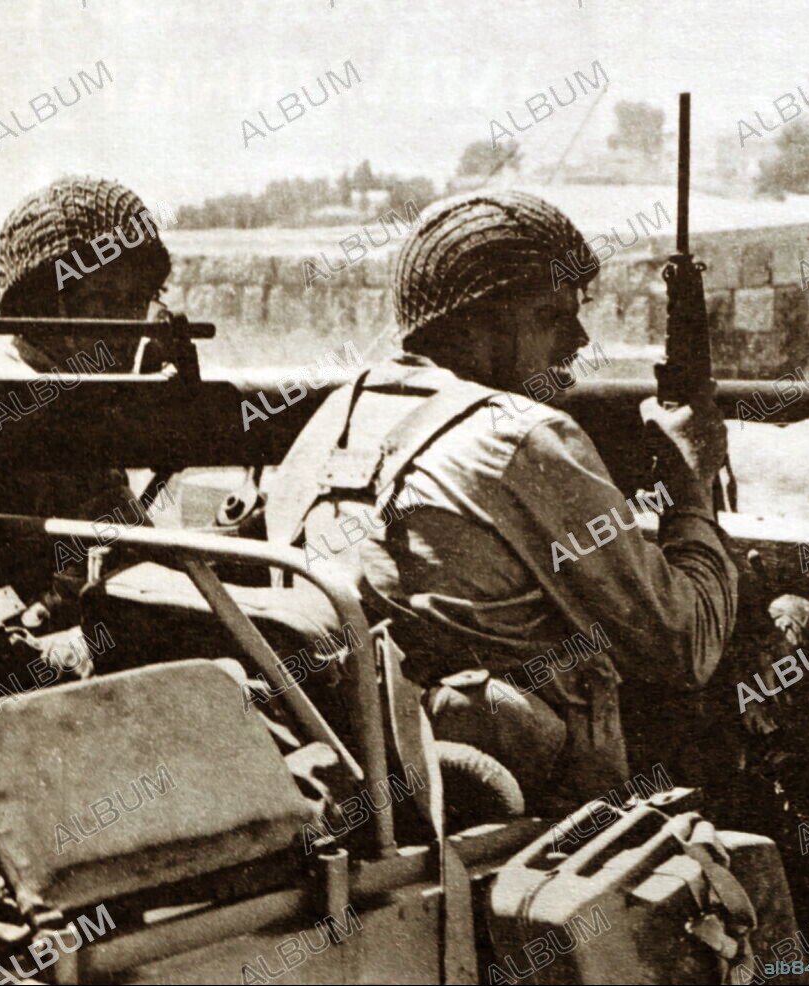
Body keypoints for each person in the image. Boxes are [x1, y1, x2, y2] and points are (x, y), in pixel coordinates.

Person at [267, 190, 738, 808]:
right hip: (530, 798)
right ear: (473, 326)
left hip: (381, 764)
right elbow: (685, 644)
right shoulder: (520, 436)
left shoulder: (338, 413)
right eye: (550, 317)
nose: (578, 338)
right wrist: (691, 492)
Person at [0, 176, 175, 628]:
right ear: (40, 303)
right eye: (103, 299)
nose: (128, 323)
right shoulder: (36, 404)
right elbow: (137, 579)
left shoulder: (57, 383)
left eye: (136, 300)